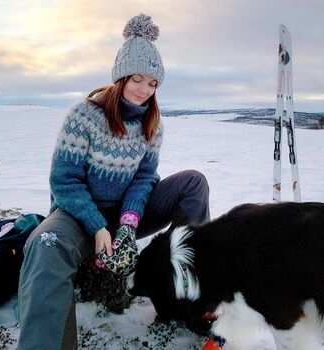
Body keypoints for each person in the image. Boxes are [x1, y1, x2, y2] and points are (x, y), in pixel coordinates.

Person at [17, 13, 210, 349]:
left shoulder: (152, 124)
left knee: (194, 182)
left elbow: (143, 181)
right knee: (43, 242)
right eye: (138, 79)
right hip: (78, 215)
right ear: (121, 76)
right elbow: (64, 181)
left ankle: (186, 289)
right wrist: (97, 226)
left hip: (126, 214)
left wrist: (127, 226)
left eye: (153, 84)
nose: (144, 90)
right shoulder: (84, 116)